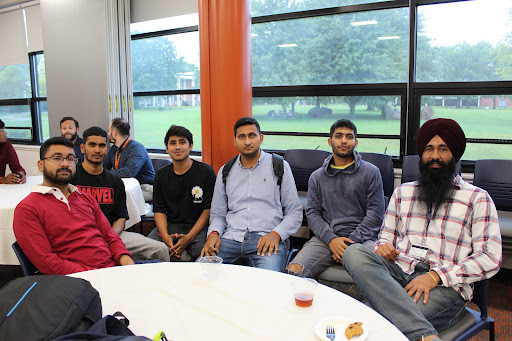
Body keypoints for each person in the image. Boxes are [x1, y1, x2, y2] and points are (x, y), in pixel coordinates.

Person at [342, 118, 502, 341]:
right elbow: (385, 236)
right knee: (354, 253)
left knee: (374, 320)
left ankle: (402, 322)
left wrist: (436, 276)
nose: (435, 156)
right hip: (398, 274)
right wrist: (383, 247)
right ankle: (424, 334)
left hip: (445, 287)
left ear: (454, 154)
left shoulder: (477, 198)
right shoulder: (402, 192)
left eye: (443, 149)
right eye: (429, 149)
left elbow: (490, 257)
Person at [13, 137, 135, 275]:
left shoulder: (86, 198)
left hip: (110, 270)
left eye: (70, 159)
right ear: (41, 165)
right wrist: (95, 274)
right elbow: (47, 262)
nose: (65, 164)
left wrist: (126, 261)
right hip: (77, 280)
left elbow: (110, 237)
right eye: (57, 158)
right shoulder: (27, 209)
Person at [201, 117, 302, 271]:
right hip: (230, 239)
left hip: (267, 239)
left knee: (268, 285)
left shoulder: (279, 166)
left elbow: (294, 212)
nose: (247, 141)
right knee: (200, 274)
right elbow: (218, 213)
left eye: (252, 136)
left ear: (260, 138)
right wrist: (213, 234)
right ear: (235, 141)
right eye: (242, 137)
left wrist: (276, 234)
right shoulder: (225, 171)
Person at [287, 119, 385, 278]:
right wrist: (331, 240)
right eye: (338, 136)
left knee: (380, 276)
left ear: (356, 142)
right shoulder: (317, 177)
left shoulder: (371, 172)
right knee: (293, 271)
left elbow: (375, 215)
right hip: (326, 238)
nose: (344, 140)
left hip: (363, 239)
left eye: (349, 136)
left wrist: (348, 244)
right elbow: (313, 215)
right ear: (330, 141)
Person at [72, 126, 169, 262]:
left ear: (107, 149)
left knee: (161, 250)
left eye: (101, 145)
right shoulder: (71, 178)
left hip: (112, 235)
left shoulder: (115, 181)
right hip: (78, 238)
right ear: (82, 148)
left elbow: (121, 219)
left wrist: (108, 238)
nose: (97, 150)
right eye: (92, 145)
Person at [147, 125, 216, 261]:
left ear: (190, 146)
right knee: (148, 250)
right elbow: (159, 211)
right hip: (170, 224)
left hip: (197, 228)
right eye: (173, 143)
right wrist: (165, 236)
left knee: (205, 257)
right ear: (167, 148)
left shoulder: (206, 172)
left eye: (182, 142)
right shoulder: (161, 175)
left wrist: (188, 238)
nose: (177, 147)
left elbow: (207, 211)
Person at [104, 118, 155, 202]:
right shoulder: (114, 149)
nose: (107, 133)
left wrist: (103, 174)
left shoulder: (136, 148)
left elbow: (129, 172)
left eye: (109, 131)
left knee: (117, 198)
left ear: (114, 133)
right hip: (125, 186)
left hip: (144, 187)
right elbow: (104, 167)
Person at [0, 119, 26, 184]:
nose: (6, 133)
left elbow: (16, 167)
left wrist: (20, 174)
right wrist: (3, 180)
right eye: (2, 130)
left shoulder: (6, 145)